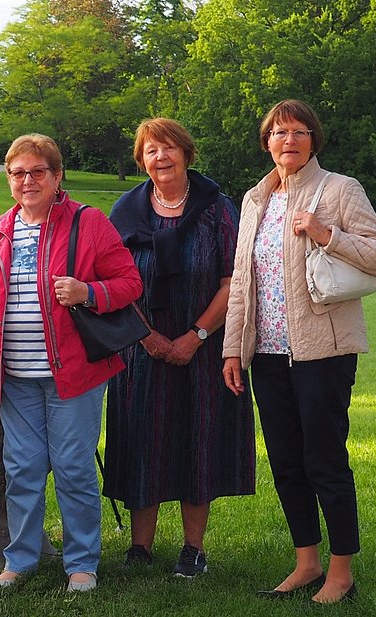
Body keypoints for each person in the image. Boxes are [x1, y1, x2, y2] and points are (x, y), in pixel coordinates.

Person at [222, 99, 376, 605]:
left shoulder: (340, 190)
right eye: (279, 133)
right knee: (286, 461)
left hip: (325, 353)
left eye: (299, 131)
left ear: (313, 140)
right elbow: (242, 286)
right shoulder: (255, 200)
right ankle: (306, 563)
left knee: (324, 459)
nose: (289, 140)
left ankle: (341, 572)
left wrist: (327, 234)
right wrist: (234, 349)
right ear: (266, 142)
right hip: (269, 355)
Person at [0, 133, 142, 593]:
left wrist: (89, 292)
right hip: (15, 377)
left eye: (38, 171)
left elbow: (129, 282)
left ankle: (82, 564)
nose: (27, 180)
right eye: (18, 172)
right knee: (21, 470)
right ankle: (20, 559)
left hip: (74, 374)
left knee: (73, 468)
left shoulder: (89, 222)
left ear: (57, 176)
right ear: (8, 178)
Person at [102, 118, 255, 578]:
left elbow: (234, 280)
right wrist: (147, 336)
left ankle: (193, 548)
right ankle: (140, 547)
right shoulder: (125, 212)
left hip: (203, 347)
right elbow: (111, 281)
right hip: (138, 347)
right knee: (141, 438)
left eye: (169, 147)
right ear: (140, 159)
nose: (160, 157)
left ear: (187, 153)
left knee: (197, 440)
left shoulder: (218, 209)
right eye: (151, 150)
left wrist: (195, 336)